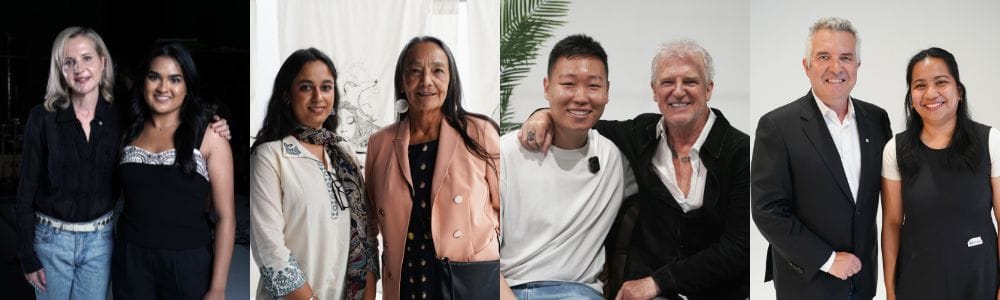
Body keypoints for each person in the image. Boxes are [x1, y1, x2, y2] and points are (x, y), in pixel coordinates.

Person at [520, 38, 750, 300]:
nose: (678, 91)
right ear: (654, 91)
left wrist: (658, 282)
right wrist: (541, 115)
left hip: (718, 292)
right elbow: (579, 119)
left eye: (690, 81)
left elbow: (739, 247)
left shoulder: (742, 152)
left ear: (708, 89)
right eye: (667, 82)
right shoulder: (640, 135)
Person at [15, 26, 230, 300]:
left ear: (103, 62)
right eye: (69, 62)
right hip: (58, 241)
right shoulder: (44, 119)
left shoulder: (122, 118)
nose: (79, 68)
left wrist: (217, 123)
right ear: (59, 68)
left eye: (87, 58)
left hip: (102, 242)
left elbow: (223, 214)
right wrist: (27, 254)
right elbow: (25, 193)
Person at [751, 17, 891, 299]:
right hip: (807, 283)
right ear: (807, 66)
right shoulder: (777, 126)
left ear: (857, 66)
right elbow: (768, 210)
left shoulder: (877, 120)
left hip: (862, 282)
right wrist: (826, 259)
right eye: (824, 56)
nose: (836, 68)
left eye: (846, 57)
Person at [365, 36, 509, 300]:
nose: (426, 81)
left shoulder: (479, 132)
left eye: (437, 70)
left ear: (451, 78)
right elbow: (369, 227)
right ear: (401, 81)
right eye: (415, 71)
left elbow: (511, 213)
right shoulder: (380, 144)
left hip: (470, 283)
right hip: (406, 285)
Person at [500, 34, 636, 300]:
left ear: (607, 91)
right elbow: (478, 251)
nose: (581, 97)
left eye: (593, 86)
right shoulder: (505, 153)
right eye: (568, 84)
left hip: (579, 292)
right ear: (547, 87)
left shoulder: (613, 158)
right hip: (507, 289)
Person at [250, 48, 379, 300]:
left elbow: (369, 236)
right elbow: (270, 248)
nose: (318, 97)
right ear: (286, 94)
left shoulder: (345, 153)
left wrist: (368, 293)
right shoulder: (270, 156)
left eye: (326, 87)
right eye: (306, 87)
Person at [111, 42, 234, 299]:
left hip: (188, 265)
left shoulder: (211, 135)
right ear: (142, 82)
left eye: (175, 79)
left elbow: (225, 217)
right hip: (131, 261)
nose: (163, 88)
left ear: (187, 86)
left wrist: (218, 287)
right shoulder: (126, 132)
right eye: (154, 77)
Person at [881, 47, 1000, 299]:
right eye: (920, 85)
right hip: (918, 281)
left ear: (959, 90)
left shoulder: (991, 141)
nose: (930, 93)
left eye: (941, 82)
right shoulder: (895, 149)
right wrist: (891, 291)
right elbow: (891, 224)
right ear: (911, 96)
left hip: (979, 278)